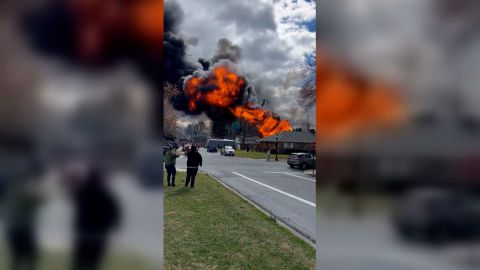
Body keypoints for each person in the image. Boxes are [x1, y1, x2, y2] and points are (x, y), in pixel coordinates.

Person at [71, 167, 121, 270]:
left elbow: (74, 196)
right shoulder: (106, 195)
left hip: (84, 234)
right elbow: (114, 213)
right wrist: (113, 226)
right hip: (99, 235)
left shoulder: (83, 193)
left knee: (79, 264)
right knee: (93, 264)